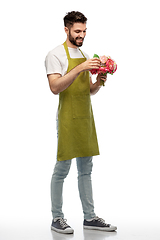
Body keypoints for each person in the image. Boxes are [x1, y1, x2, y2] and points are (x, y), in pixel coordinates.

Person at [45, 11, 117, 234]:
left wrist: (98, 82)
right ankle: (57, 217)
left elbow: (87, 91)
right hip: (66, 119)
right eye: (77, 31)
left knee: (86, 169)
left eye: (84, 31)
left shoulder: (85, 54)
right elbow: (55, 87)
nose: (81, 35)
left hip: (85, 118)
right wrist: (80, 68)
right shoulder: (55, 55)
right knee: (62, 169)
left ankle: (90, 217)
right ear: (66, 29)